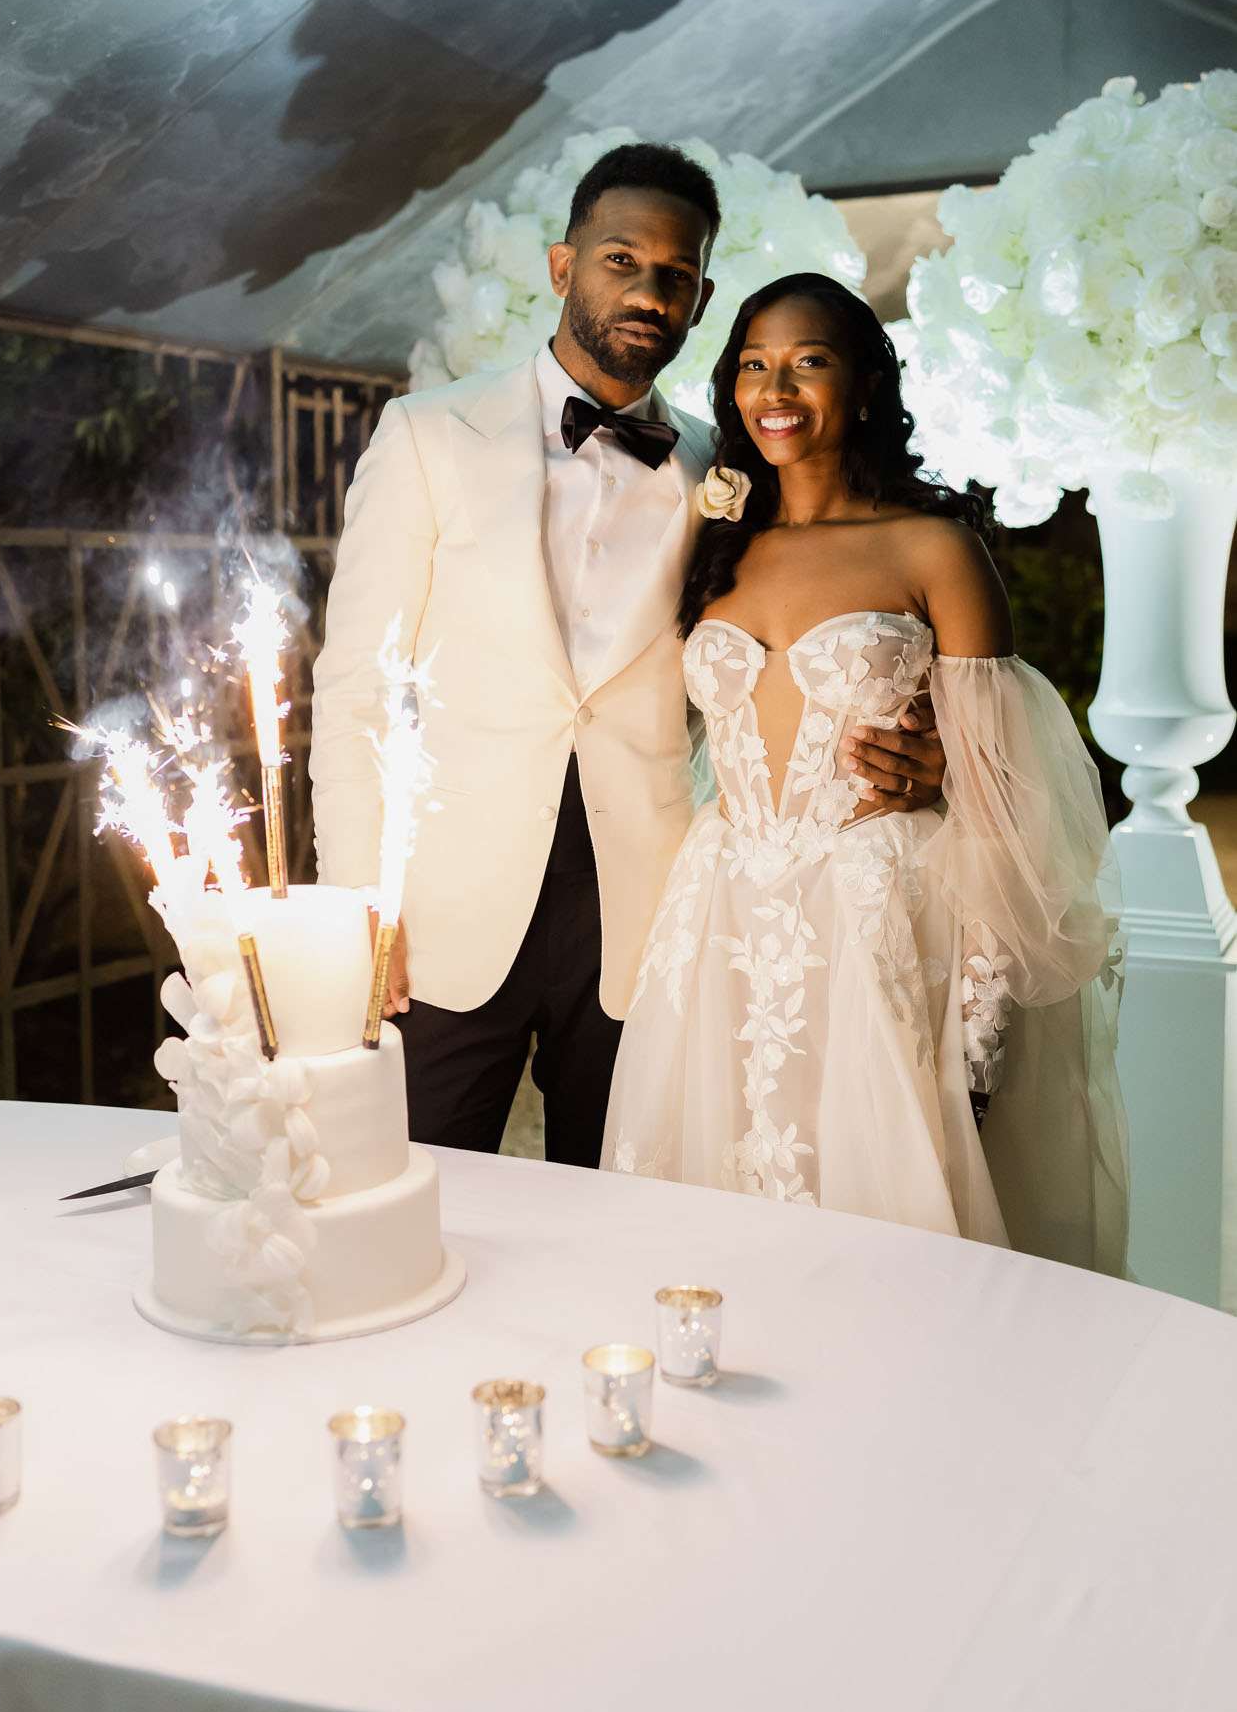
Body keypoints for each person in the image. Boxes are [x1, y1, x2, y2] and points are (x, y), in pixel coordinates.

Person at [310, 148, 945, 1167]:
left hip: (650, 913)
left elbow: (813, 631)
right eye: (621, 260)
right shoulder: (429, 436)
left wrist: (926, 745)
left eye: (678, 275)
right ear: (564, 268)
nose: (648, 290)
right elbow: (353, 694)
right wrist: (358, 905)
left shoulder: (723, 466)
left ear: (699, 301)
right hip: (443, 910)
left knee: (624, 1213)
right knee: (413, 1187)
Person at [602, 271, 1129, 1272]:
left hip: (876, 914)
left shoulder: (933, 547)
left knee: (882, 1220)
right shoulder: (715, 545)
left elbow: (1018, 792)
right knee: (714, 1215)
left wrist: (981, 1022)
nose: (777, 389)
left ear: (866, 386)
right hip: (721, 920)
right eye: (755, 364)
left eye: (810, 362)